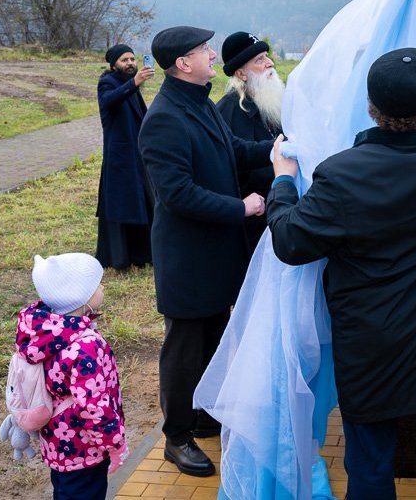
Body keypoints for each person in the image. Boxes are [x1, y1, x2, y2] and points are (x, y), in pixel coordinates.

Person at [268, 0, 416, 499]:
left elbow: (290, 241)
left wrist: (283, 181)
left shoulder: (341, 175)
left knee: (370, 464)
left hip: (371, 343)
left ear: (370, 107)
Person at [137, 26, 274, 477]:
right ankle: (177, 438)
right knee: (184, 349)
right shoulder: (164, 119)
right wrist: (241, 207)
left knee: (213, 337)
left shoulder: (199, 102)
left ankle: (202, 414)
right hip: (188, 259)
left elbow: (233, 150)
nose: (212, 55)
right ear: (183, 63)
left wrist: (277, 149)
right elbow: (177, 194)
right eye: (203, 50)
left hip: (214, 253)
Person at [16, 253, 127, 500]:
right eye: (97, 285)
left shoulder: (45, 332)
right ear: (80, 298)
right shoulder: (85, 346)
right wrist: (114, 444)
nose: (103, 287)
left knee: (65, 492)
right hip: (85, 448)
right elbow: (93, 406)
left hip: (57, 443)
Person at [216, 31, 284, 255]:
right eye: (259, 60)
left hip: (280, 207)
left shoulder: (273, 101)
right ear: (241, 73)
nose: (269, 63)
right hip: (252, 219)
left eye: (267, 56)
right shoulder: (227, 111)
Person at [95, 44, 154, 270]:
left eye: (132, 59)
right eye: (124, 60)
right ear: (114, 65)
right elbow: (109, 100)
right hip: (119, 156)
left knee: (142, 201)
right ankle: (120, 257)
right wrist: (134, 83)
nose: (130, 63)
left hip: (136, 153)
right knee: (122, 204)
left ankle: (143, 253)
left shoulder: (130, 84)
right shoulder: (108, 82)